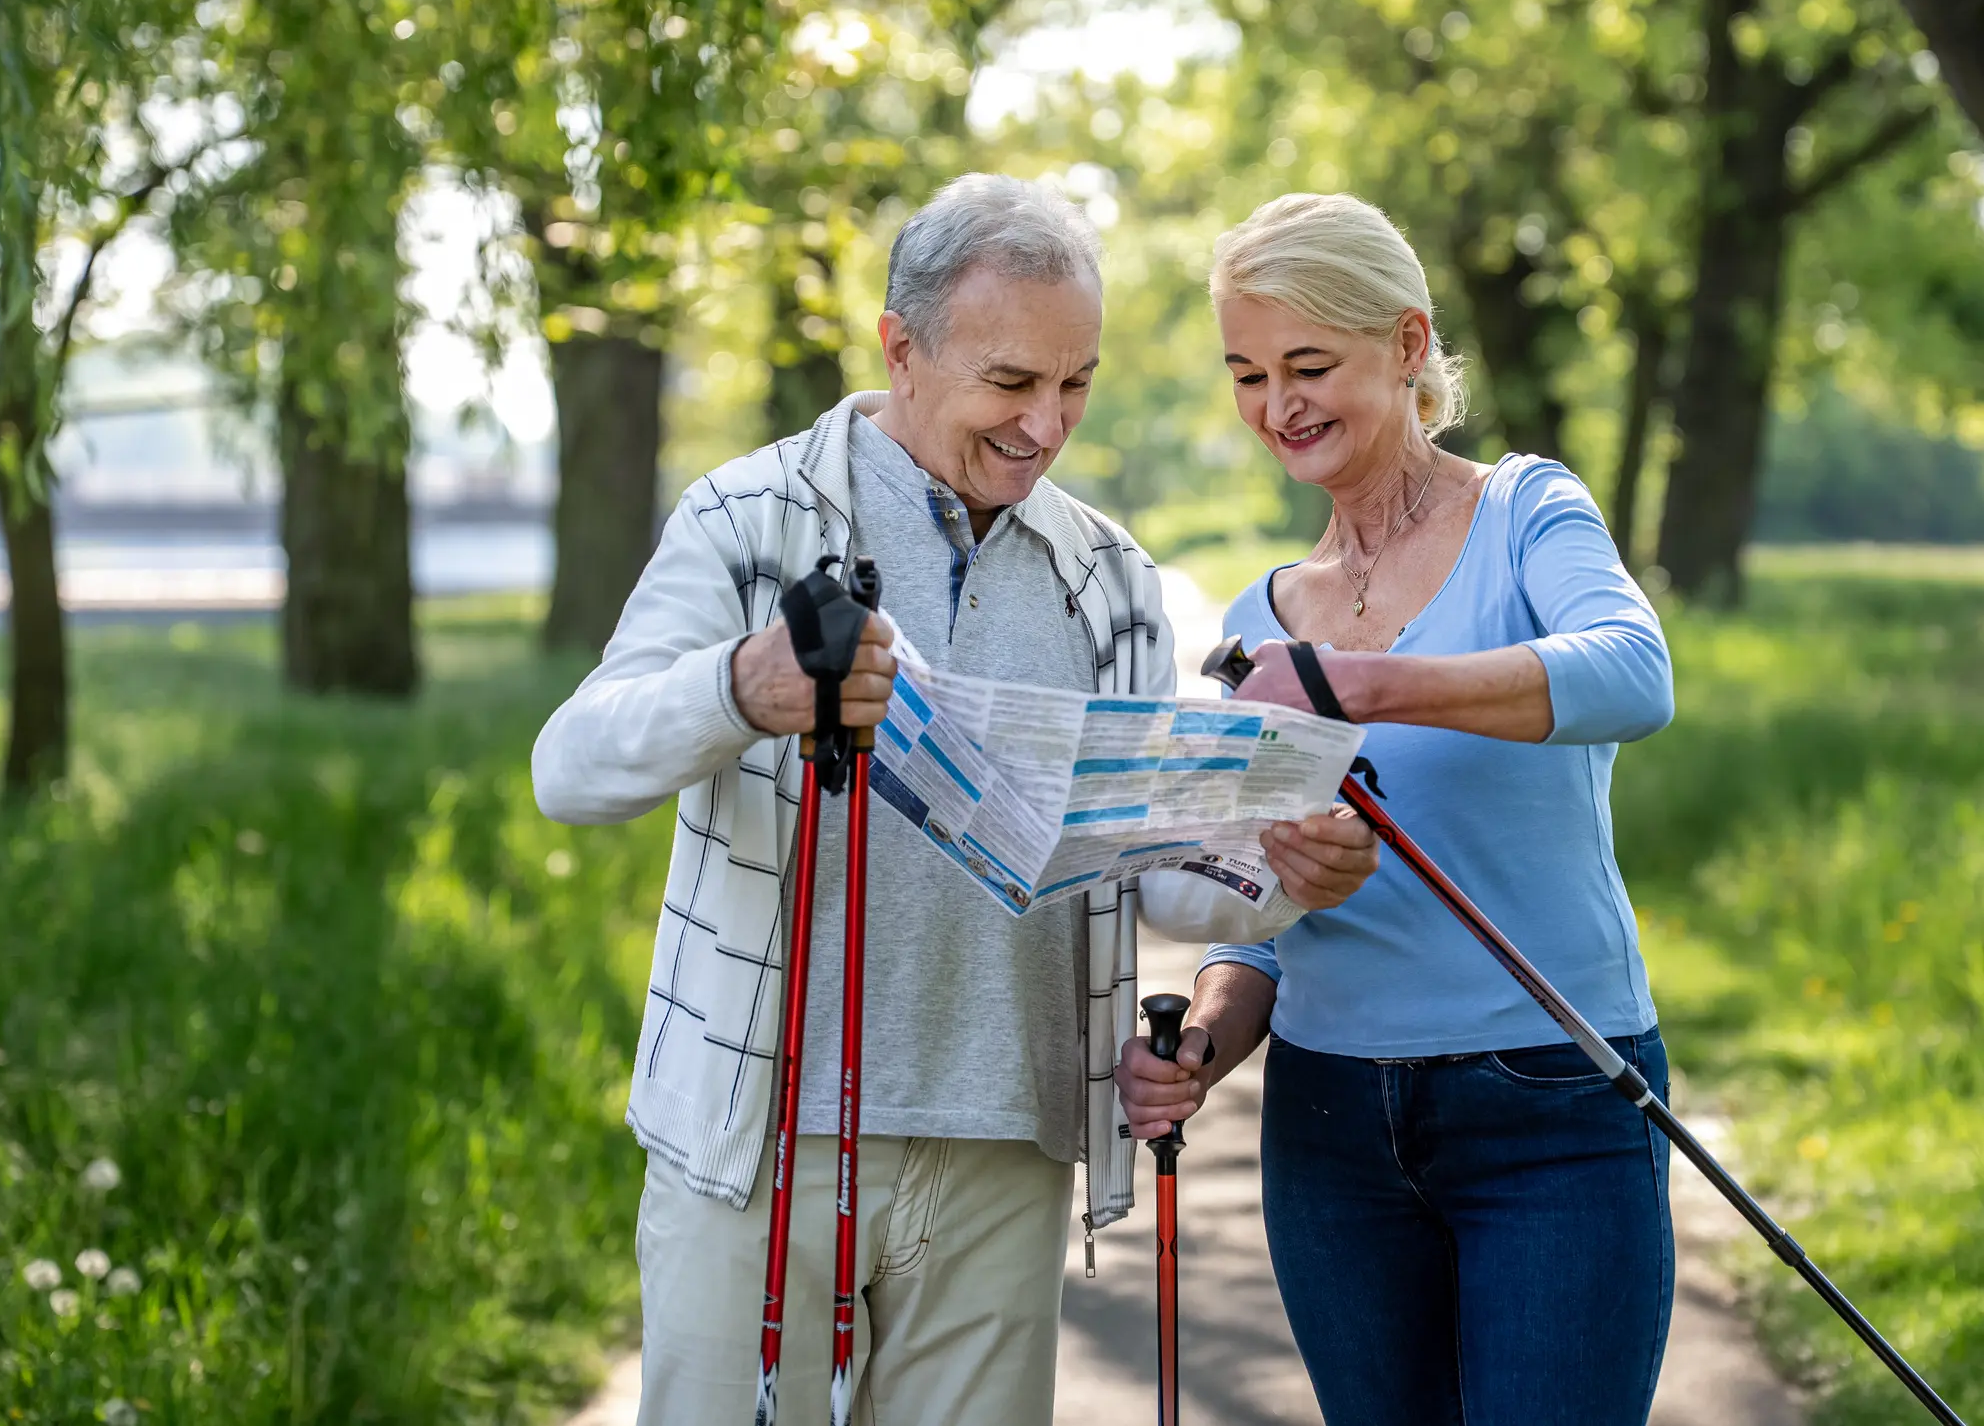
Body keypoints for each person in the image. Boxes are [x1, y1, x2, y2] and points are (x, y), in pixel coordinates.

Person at [531, 174, 1380, 1426]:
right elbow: (571, 764)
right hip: (765, 1142)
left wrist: (1277, 864)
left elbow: (1156, 867)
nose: (1046, 423)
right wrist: (739, 688)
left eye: (1074, 383)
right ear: (901, 349)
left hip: (1007, 1143)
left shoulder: (1111, 577)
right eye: (1010, 382)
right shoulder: (745, 516)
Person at [1114, 191, 1679, 1426]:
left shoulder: (1527, 512)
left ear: (1409, 345)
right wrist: (1205, 1039)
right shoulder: (1258, 623)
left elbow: (1635, 674)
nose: (1279, 405)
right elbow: (1243, 907)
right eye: (1247, 373)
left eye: (1311, 364)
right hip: (1331, 1128)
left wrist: (1359, 685)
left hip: (1552, 1100)